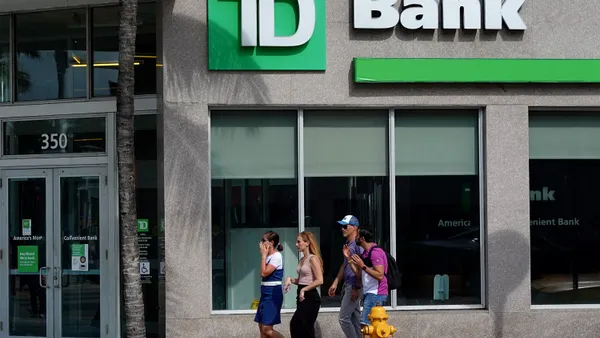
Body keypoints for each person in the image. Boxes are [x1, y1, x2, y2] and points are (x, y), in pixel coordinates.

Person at [328, 215, 364, 338]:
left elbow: (361, 268)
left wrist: (356, 287)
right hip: (349, 284)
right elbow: (345, 266)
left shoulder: (358, 245)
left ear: (354, 227)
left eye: (345, 226)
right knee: (355, 319)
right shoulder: (348, 244)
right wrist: (336, 282)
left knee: (343, 318)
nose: (342, 229)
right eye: (341, 226)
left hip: (354, 285)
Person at [285, 231, 324, 338]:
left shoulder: (313, 259)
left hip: (311, 296)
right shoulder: (302, 259)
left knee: (302, 326)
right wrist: (290, 280)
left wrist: (304, 290)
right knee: (298, 326)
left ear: (307, 243)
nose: (296, 244)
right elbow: (302, 280)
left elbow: (320, 280)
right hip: (302, 295)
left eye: (299, 242)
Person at [349, 227, 389, 328]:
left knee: (366, 326)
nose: (355, 238)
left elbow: (380, 275)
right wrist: (348, 258)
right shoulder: (365, 253)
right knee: (367, 326)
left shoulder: (375, 252)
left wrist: (362, 266)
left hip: (376, 293)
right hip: (369, 292)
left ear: (362, 238)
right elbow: (359, 275)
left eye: (357, 236)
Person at [255, 231, 285, 338]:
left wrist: (263, 256)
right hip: (265, 294)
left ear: (271, 243)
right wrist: (264, 256)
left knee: (267, 329)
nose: (261, 243)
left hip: (273, 295)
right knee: (261, 327)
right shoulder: (268, 256)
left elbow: (264, 272)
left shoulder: (277, 256)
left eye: (264, 240)